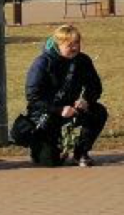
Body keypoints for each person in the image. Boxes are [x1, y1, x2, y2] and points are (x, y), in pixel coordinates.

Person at [22, 24, 107, 167]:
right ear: (58, 45)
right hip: (46, 113)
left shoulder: (83, 61)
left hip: (72, 108)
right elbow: (33, 97)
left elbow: (95, 86)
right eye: (69, 44)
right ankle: (39, 148)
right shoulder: (42, 63)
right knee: (50, 161)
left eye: (77, 43)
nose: (74, 48)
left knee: (98, 112)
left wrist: (86, 99)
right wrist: (59, 109)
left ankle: (81, 152)